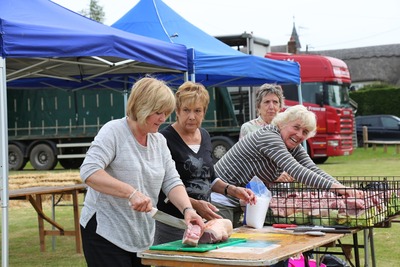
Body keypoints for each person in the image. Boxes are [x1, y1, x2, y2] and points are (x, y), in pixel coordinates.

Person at [79, 77, 205, 267]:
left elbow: (172, 181)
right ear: (142, 107)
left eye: (166, 113)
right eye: (158, 112)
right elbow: (89, 172)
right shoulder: (113, 131)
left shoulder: (158, 141)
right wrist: (131, 193)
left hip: (141, 235)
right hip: (105, 232)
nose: (163, 119)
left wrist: (188, 210)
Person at [211, 105, 362, 226]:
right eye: (296, 127)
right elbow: (296, 170)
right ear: (283, 123)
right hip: (219, 196)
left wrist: (343, 188)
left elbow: (312, 168)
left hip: (238, 198)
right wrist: (339, 189)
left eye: (305, 132)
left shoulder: (291, 144)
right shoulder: (270, 137)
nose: (299, 135)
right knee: (221, 248)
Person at [153, 81, 255, 245]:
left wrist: (232, 190)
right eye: (186, 110)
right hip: (172, 223)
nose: (192, 116)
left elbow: (209, 177)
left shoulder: (205, 136)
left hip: (202, 223)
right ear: (177, 111)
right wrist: (193, 205)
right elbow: (160, 187)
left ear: (204, 112)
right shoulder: (164, 139)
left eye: (197, 110)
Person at [211, 84, 292, 227]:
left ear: (281, 107)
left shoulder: (284, 130)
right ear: (258, 106)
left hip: (272, 195)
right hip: (242, 192)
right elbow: (249, 164)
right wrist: (275, 176)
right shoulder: (249, 128)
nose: (271, 106)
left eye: (275, 102)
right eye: (266, 102)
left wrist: (287, 172)